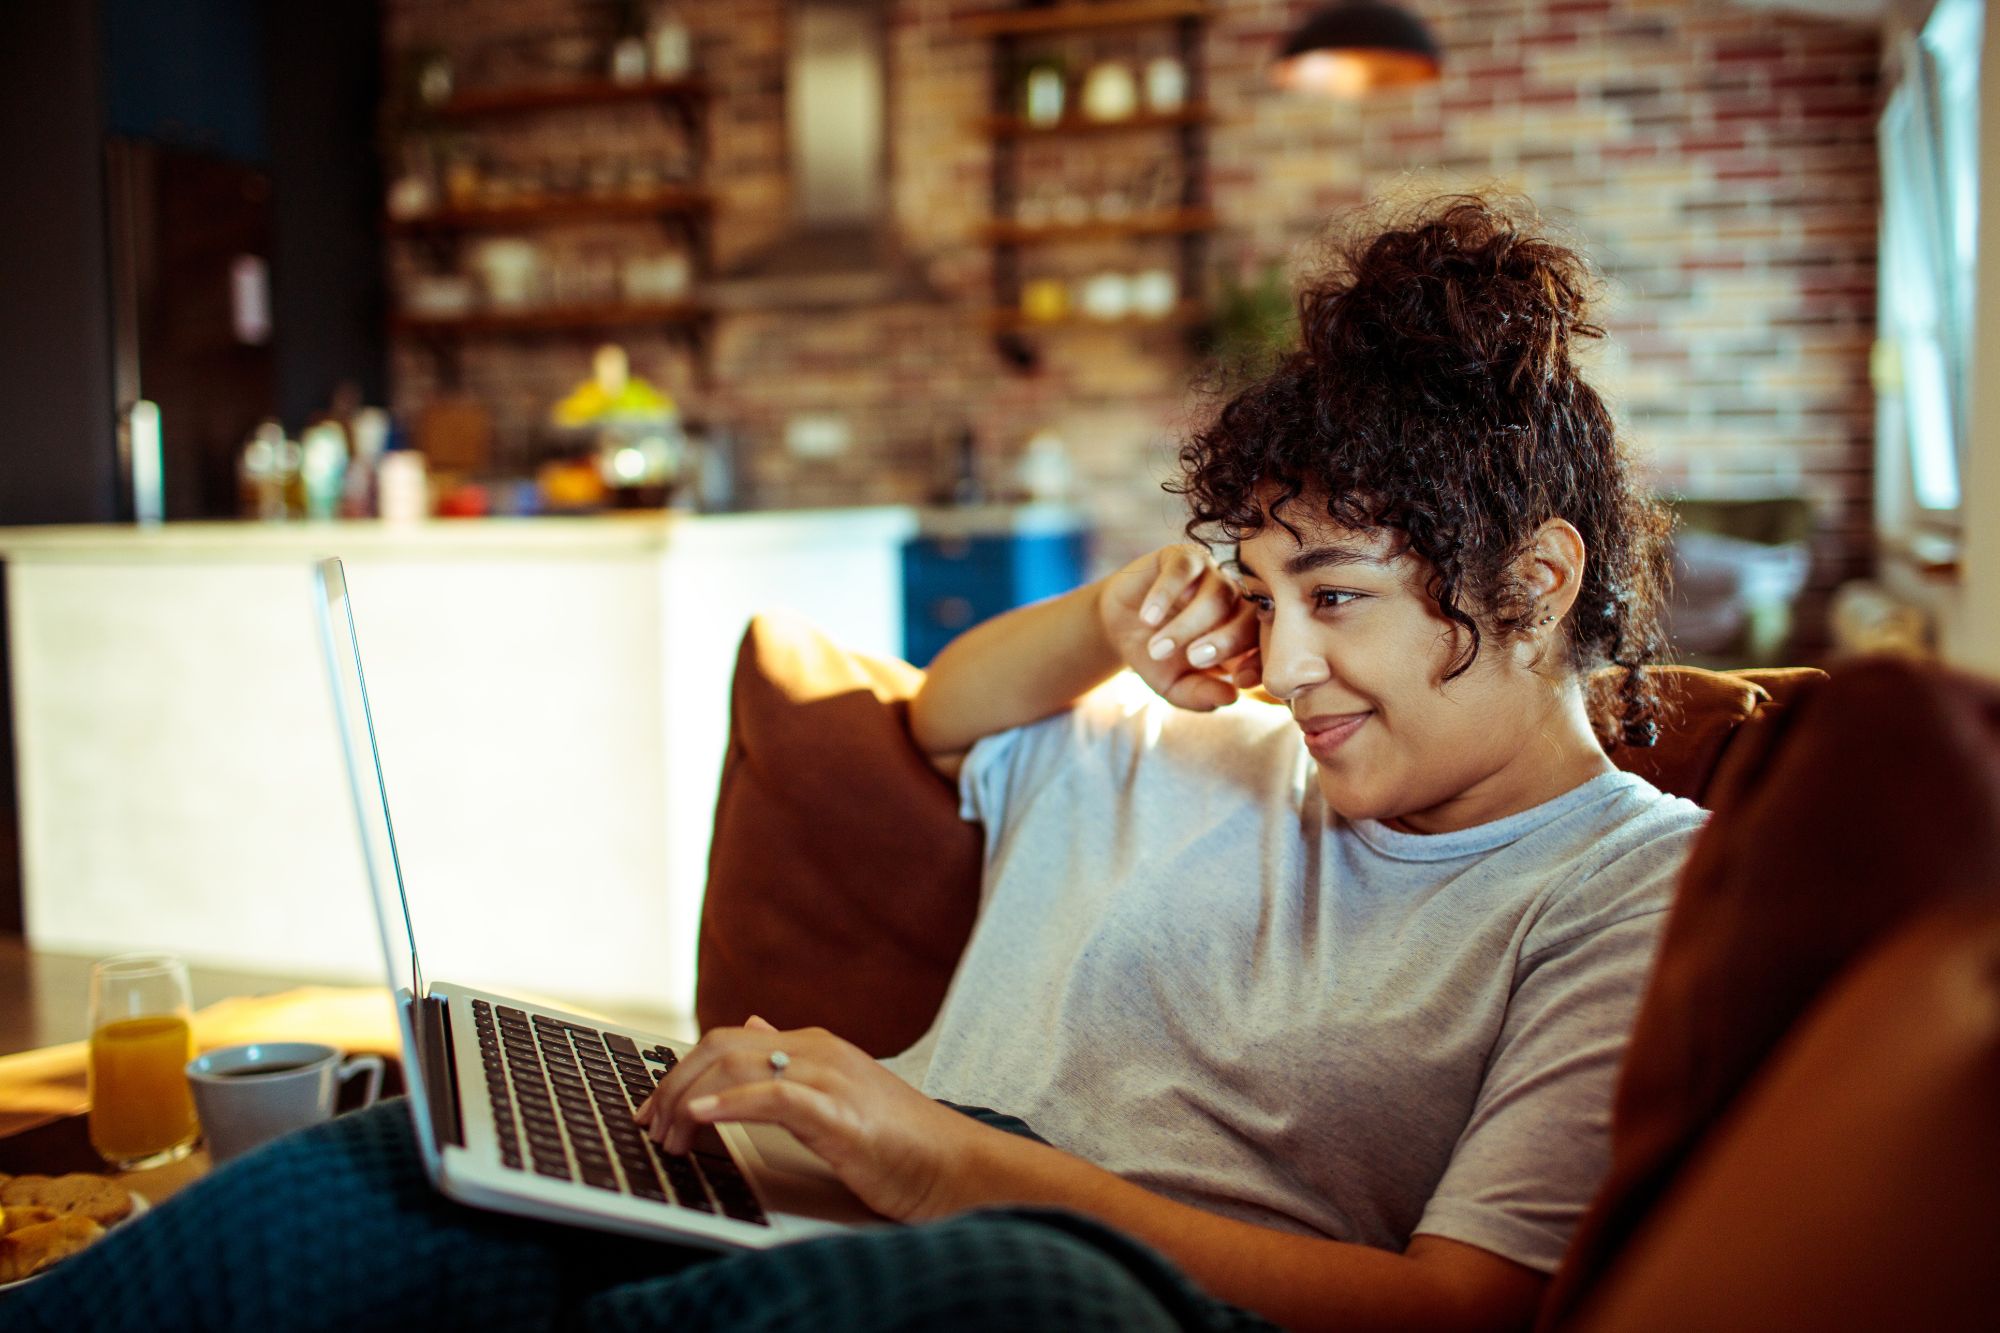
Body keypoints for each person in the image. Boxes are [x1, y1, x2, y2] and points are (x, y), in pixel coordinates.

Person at [7, 194, 1703, 1333]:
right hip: (823, 1197)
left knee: (1009, 1292)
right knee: (406, 1165)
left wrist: (955, 1161)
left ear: (1536, 585)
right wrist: (1114, 620)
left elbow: (1466, 1306)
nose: (1291, 659)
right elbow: (938, 719)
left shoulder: (1629, 882)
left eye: (1337, 598)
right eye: (1265, 594)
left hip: (1085, 1288)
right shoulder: (1202, 738)